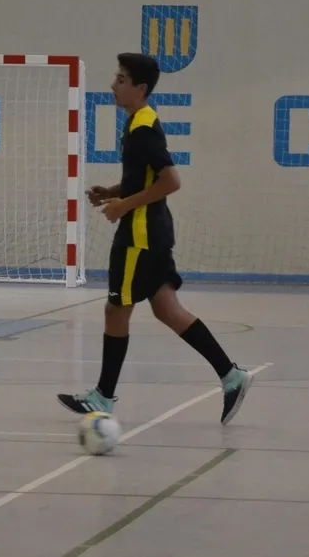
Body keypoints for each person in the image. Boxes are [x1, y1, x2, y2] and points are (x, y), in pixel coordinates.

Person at [57, 53, 253, 424]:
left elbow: (171, 181)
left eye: (121, 79)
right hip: (155, 232)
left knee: (116, 310)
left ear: (140, 88)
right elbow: (144, 179)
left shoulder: (144, 128)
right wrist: (112, 192)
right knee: (166, 308)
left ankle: (103, 397)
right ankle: (231, 376)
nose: (113, 85)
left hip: (140, 236)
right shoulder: (138, 121)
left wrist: (123, 206)